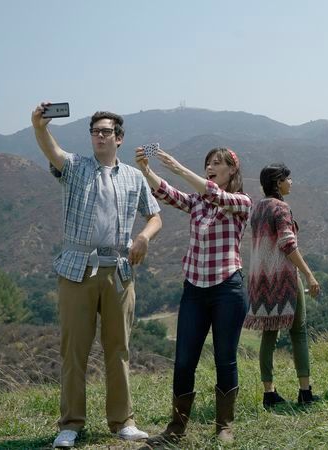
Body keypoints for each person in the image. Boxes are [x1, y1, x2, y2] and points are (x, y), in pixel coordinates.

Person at [31, 104, 162, 448]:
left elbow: (155, 216)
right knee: (74, 349)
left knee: (119, 349)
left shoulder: (134, 177)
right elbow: (52, 150)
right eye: (95, 131)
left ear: (119, 139)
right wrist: (39, 126)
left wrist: (143, 237)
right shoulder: (75, 168)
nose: (99, 136)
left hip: (119, 270)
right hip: (77, 268)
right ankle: (70, 424)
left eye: (106, 131)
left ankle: (123, 421)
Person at [136, 147, 251, 444]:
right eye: (208, 163)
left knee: (225, 359)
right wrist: (147, 171)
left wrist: (179, 168)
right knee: (184, 360)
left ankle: (224, 425)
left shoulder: (240, 202)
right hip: (194, 290)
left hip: (228, 289)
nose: (210, 167)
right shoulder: (198, 202)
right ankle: (176, 427)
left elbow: (216, 195)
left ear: (232, 170)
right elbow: (170, 194)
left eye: (217, 163)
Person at [245, 163, 321, 408]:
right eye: (288, 178)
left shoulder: (257, 209)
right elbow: (288, 244)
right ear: (278, 182)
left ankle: (269, 393)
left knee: (269, 333)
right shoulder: (281, 208)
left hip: (260, 279)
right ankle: (305, 391)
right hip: (283, 278)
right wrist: (308, 274)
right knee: (298, 331)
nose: (291, 182)